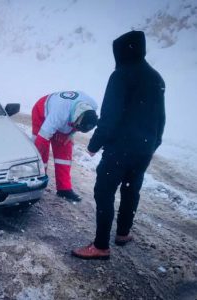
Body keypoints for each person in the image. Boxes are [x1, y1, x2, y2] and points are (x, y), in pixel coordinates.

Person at [72, 30, 166, 260]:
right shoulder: (156, 78)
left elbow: (110, 116)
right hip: (144, 147)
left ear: (121, 51)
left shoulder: (121, 76)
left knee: (103, 191)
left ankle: (101, 246)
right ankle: (123, 233)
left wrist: (94, 144)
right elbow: (161, 118)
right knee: (131, 189)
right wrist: (153, 144)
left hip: (120, 148)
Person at [32, 91, 98, 202]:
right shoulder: (59, 114)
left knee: (64, 155)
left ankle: (64, 189)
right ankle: (38, 181)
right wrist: (35, 163)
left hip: (68, 118)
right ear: (76, 118)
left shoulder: (92, 106)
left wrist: (71, 133)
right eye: (77, 128)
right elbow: (41, 141)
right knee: (41, 153)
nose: (76, 130)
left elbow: (78, 124)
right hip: (42, 112)